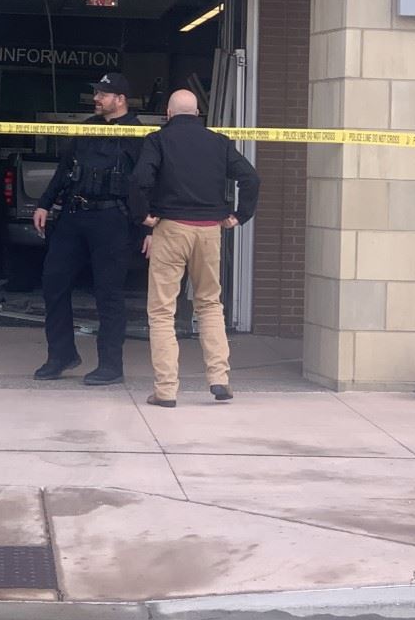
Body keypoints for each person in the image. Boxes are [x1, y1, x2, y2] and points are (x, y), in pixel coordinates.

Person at [130, 89, 260, 408]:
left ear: (168, 114)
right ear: (199, 112)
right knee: (210, 304)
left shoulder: (158, 140)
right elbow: (251, 178)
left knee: (162, 310)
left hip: (171, 227)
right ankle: (219, 379)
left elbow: (138, 180)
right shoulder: (218, 142)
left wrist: (143, 215)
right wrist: (239, 216)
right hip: (209, 231)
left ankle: (166, 390)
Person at [32, 72, 143, 386]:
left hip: (113, 220)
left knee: (108, 293)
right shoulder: (86, 128)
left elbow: (147, 183)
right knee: (53, 282)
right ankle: (61, 355)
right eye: (97, 93)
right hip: (73, 215)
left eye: (103, 94)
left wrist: (148, 227)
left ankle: (111, 365)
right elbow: (64, 170)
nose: (97, 99)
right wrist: (44, 203)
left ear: (120, 99)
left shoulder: (138, 134)